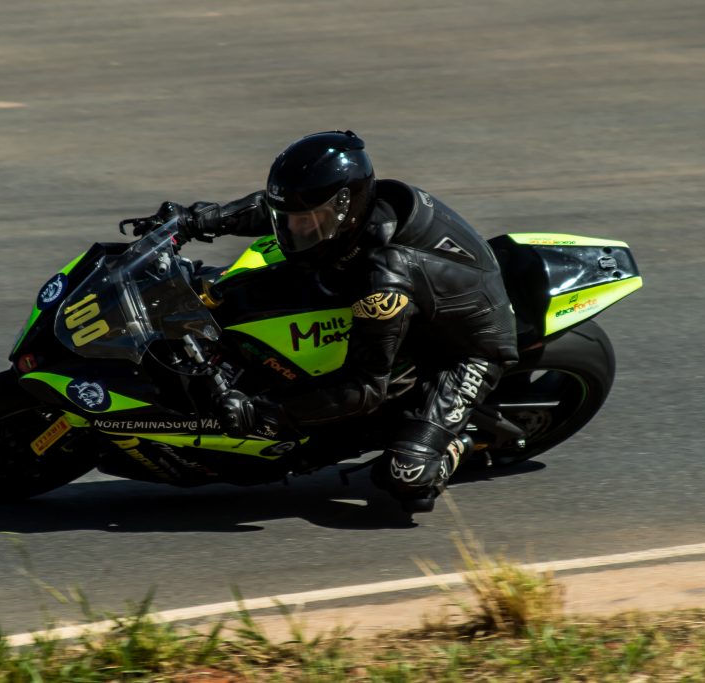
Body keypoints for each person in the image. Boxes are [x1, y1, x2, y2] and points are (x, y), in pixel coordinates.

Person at [128, 130, 519, 512]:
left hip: (464, 349)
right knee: (235, 295)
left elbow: (366, 387)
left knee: (406, 477)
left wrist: (266, 411)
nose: (293, 230)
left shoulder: (383, 285)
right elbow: (272, 208)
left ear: (345, 212)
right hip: (412, 295)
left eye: (306, 222)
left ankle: (453, 444)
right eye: (293, 219)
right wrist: (194, 221)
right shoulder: (350, 213)